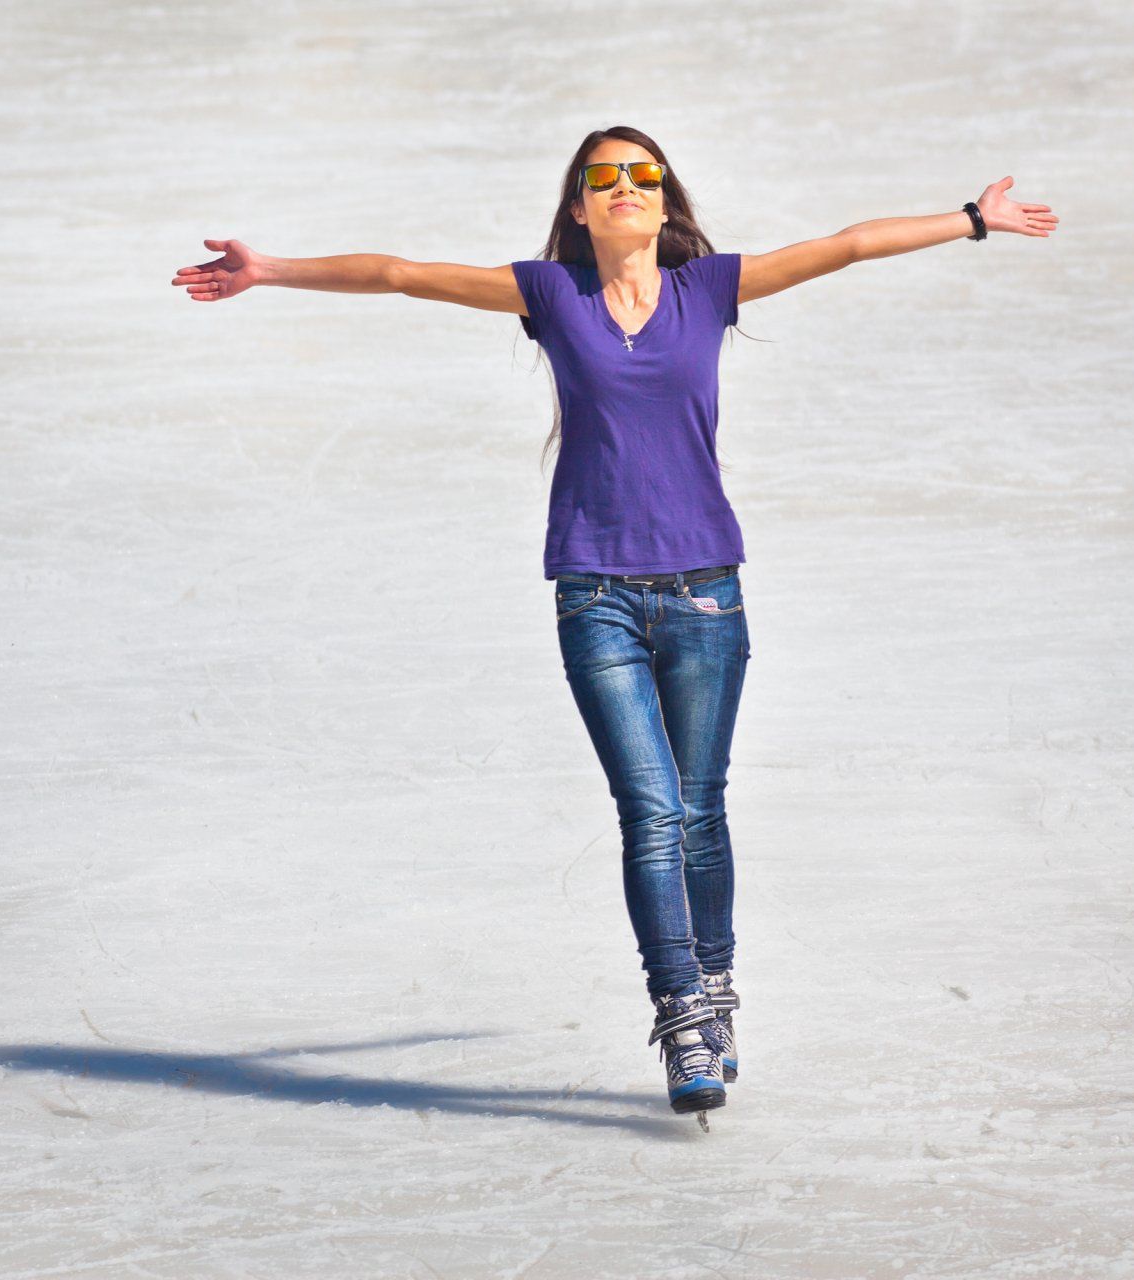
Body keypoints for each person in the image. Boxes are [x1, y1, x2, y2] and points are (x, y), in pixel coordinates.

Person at [170, 125, 1058, 1122]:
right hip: (596, 593)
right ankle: (683, 1012)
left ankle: (715, 990)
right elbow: (400, 273)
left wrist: (973, 220)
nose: (628, 186)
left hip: (707, 593)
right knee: (652, 810)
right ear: (582, 208)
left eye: (644, 174)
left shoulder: (708, 289)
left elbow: (846, 244)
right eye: (607, 177)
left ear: (665, 202)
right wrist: (271, 270)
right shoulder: (553, 296)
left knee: (701, 809)